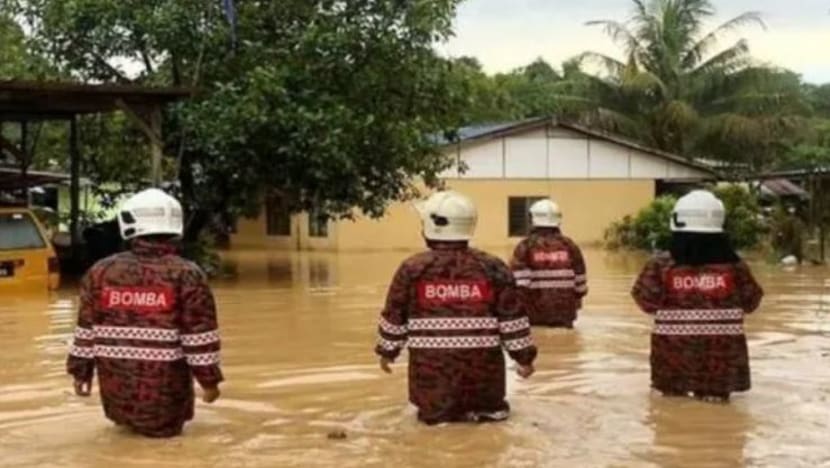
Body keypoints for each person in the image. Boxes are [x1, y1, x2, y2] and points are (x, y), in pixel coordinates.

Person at [67, 188, 223, 437]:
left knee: (122, 442)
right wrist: (209, 382)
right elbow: (199, 336)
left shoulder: (100, 272)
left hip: (115, 391)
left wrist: (80, 371)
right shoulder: (186, 274)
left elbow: (85, 330)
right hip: (165, 397)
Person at [375, 191, 537, 424]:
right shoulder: (493, 267)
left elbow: (394, 318)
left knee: (435, 434)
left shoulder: (412, 269)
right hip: (486, 390)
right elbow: (513, 321)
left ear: (432, 225)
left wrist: (387, 353)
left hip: (433, 393)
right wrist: (524, 359)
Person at [631, 190, 763, 402]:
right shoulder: (735, 267)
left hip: (672, 361)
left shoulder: (661, 265)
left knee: (671, 418)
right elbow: (752, 302)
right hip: (722, 366)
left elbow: (645, 302)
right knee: (719, 419)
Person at [510, 199, 587, 328]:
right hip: (565, 316)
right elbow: (581, 286)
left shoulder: (525, 246)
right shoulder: (570, 245)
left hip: (535, 317)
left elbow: (519, 287)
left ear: (532, 220)